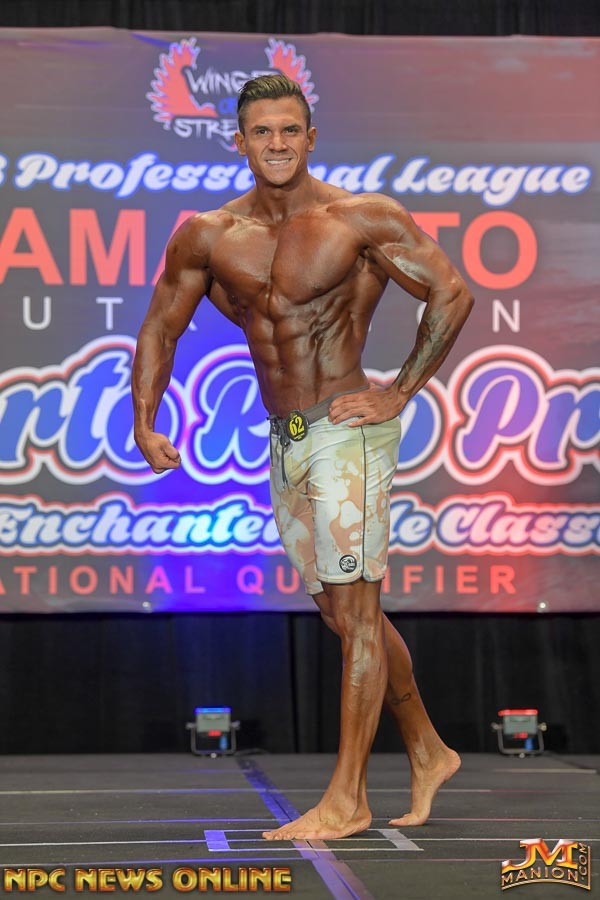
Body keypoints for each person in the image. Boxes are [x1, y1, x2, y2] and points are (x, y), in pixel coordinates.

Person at [132, 73, 473, 841]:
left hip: (349, 429)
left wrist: (398, 392)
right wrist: (144, 422)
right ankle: (428, 748)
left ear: (310, 137)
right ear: (240, 141)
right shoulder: (209, 235)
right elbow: (160, 326)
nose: (277, 143)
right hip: (284, 437)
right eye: (263, 131)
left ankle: (348, 798)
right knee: (341, 612)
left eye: (290, 130)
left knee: (357, 610)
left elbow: (451, 292)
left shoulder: (359, 218)